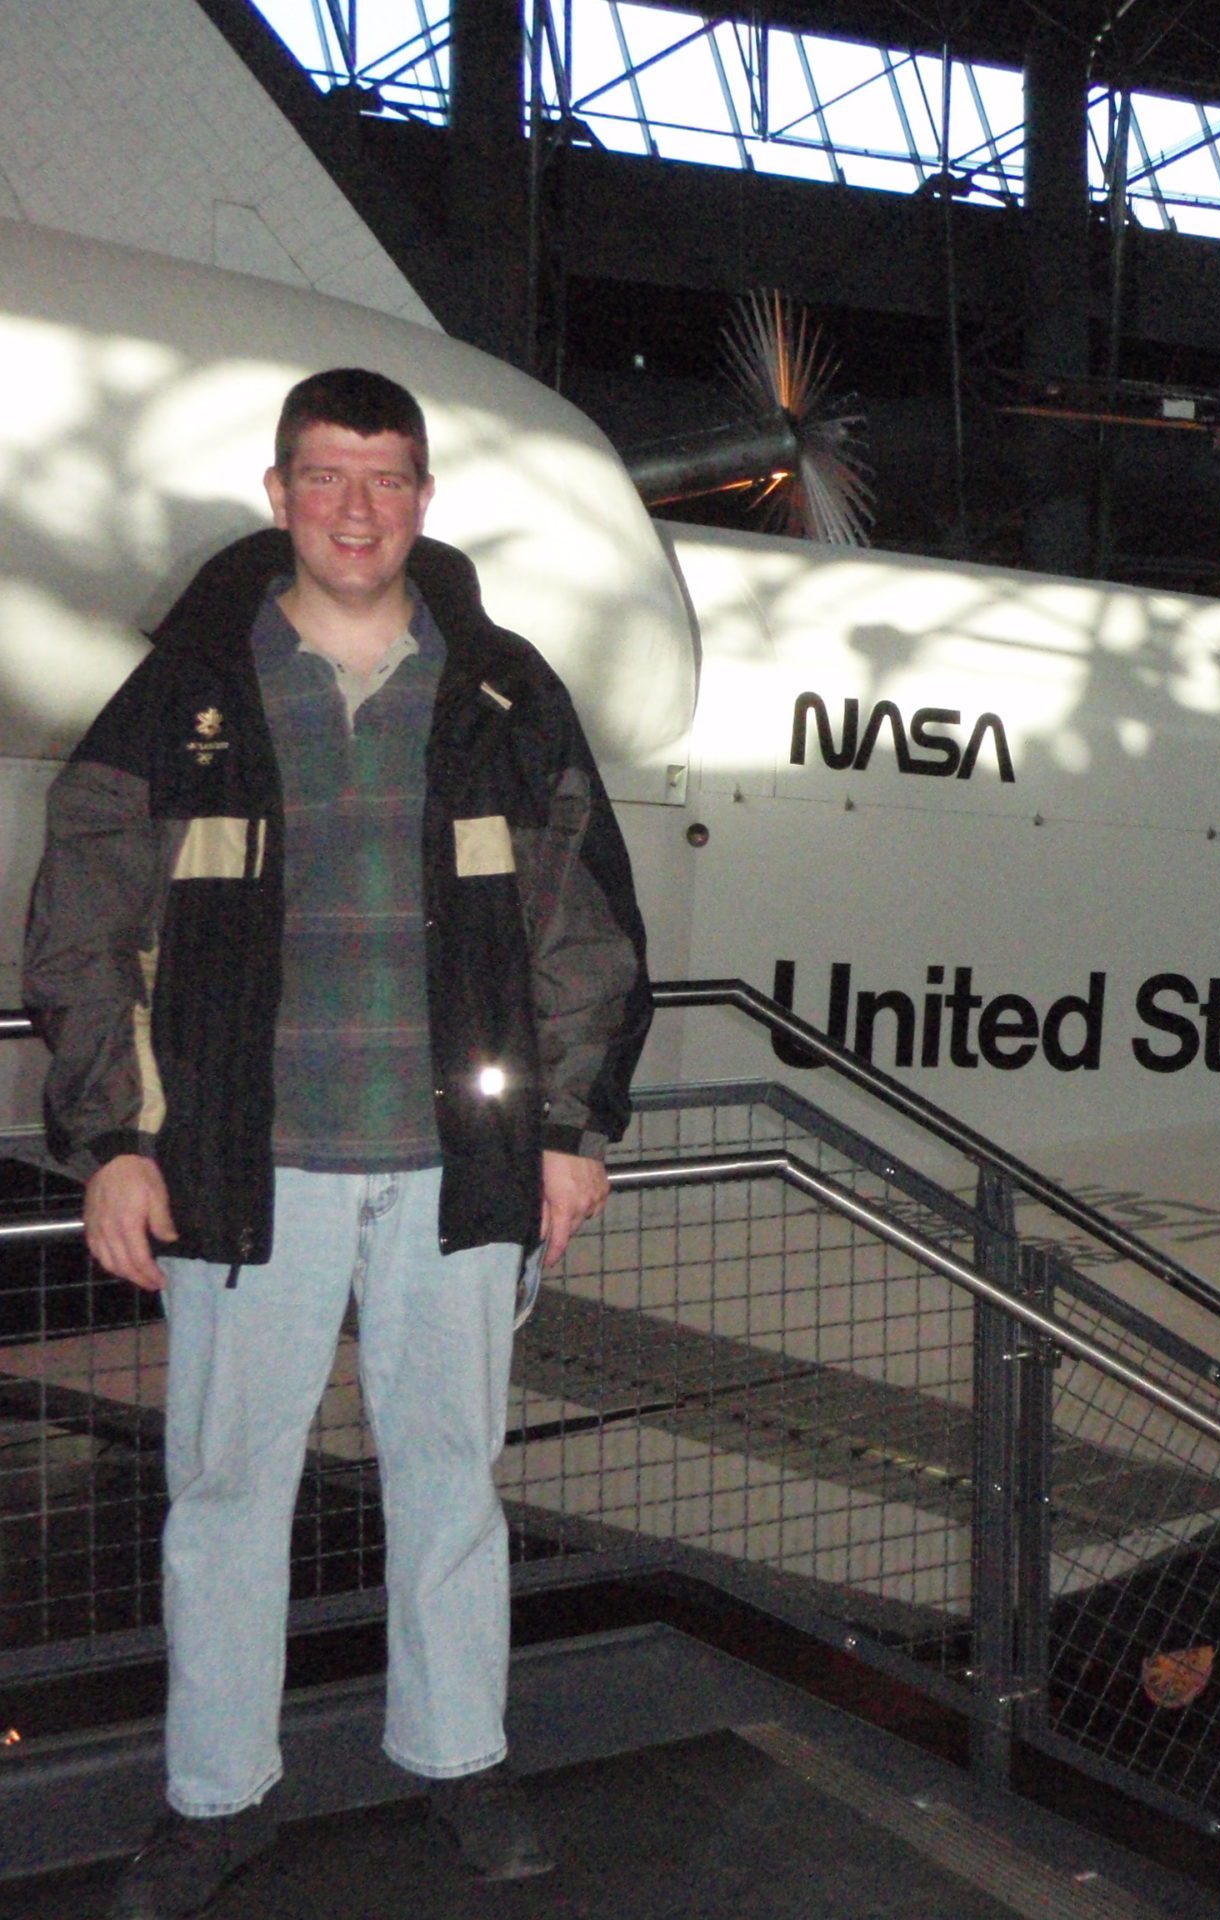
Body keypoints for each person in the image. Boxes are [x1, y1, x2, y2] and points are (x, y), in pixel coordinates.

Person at [24, 368, 652, 1918]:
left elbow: (589, 931)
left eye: (384, 479)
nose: (356, 509)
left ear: (424, 498)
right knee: (227, 1494)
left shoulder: (503, 693)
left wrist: (570, 1129)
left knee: (452, 1481)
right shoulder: (187, 691)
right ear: (280, 493)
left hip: (463, 1172)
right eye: (325, 478)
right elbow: (80, 923)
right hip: (247, 1174)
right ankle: (216, 1796)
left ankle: (460, 1761)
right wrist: (113, 1139)